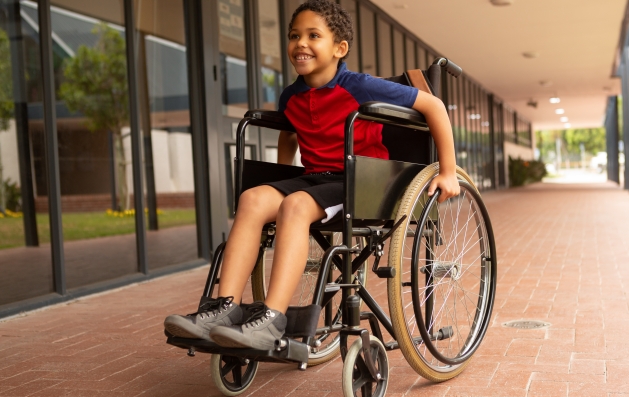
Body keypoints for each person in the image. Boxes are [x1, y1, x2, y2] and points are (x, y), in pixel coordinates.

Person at [164, 0, 460, 351]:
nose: (300, 43)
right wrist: (282, 174)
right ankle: (223, 307)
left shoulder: (362, 86)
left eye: (313, 35)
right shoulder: (291, 96)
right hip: (315, 177)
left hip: (361, 180)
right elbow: (289, 132)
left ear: (339, 48)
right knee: (253, 198)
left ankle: (271, 319)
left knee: (295, 206)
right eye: (294, 35)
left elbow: (433, 106)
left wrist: (448, 170)